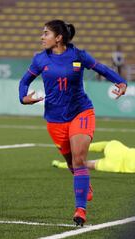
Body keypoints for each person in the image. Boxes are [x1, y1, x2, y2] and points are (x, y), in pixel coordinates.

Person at [18, 20, 127, 226]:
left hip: (81, 112)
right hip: (55, 119)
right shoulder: (40, 59)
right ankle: (84, 181)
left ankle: (80, 211)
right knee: (72, 164)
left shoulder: (78, 55)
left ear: (58, 38)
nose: (42, 37)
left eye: (46, 33)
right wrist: (23, 97)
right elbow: (24, 81)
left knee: (79, 160)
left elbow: (101, 68)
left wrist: (120, 82)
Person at [52, 140, 135, 173]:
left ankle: (78, 148)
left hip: (119, 151)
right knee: (86, 164)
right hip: (116, 166)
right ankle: (59, 164)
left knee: (106, 145)